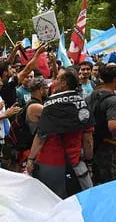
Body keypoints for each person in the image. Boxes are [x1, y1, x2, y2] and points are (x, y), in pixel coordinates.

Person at [26, 68, 95, 198]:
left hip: (49, 163)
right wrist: (89, 161)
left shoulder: (49, 105)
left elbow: (41, 136)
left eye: (57, 79)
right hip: (75, 163)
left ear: (64, 83)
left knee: (48, 202)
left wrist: (30, 159)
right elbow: (88, 139)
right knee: (79, 201)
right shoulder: (83, 104)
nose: (54, 82)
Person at [86, 64, 116, 185]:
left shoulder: (92, 95)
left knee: (96, 181)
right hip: (107, 147)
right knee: (111, 182)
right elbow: (113, 126)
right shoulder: (114, 100)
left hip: (92, 145)